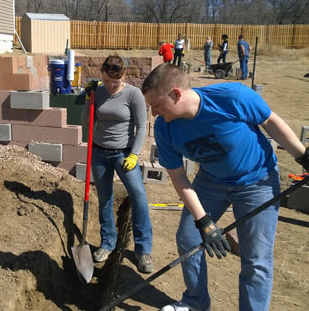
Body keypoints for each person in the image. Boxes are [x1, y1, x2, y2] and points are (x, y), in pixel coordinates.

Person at [141, 63, 309, 311]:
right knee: (189, 237)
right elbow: (178, 177)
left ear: (176, 94)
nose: (153, 112)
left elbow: (270, 121)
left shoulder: (233, 97)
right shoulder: (165, 127)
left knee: (256, 259)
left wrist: (304, 158)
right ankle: (196, 302)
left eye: (156, 104)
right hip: (211, 182)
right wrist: (204, 222)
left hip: (257, 181)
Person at [81, 55, 154, 273]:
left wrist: (134, 155)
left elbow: (142, 127)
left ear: (123, 76)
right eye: (107, 81)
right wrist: (88, 100)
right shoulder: (99, 92)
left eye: (116, 82)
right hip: (99, 153)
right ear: (102, 75)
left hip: (124, 154)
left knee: (139, 196)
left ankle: (143, 250)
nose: (111, 86)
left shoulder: (133, 95)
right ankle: (107, 243)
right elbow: (87, 122)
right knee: (104, 198)